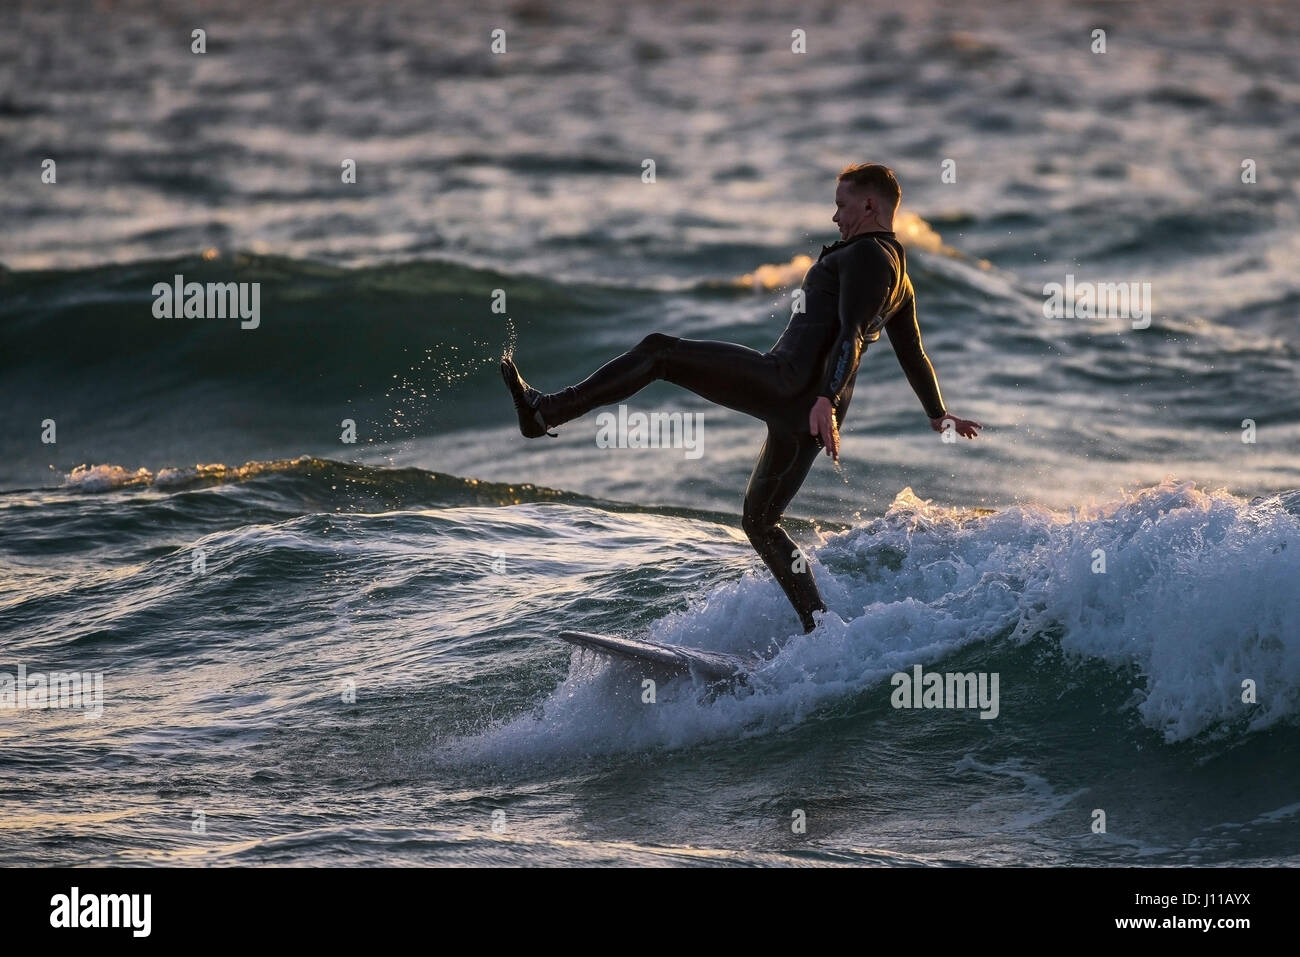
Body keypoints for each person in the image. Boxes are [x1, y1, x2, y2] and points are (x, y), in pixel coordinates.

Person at [501, 163, 981, 634]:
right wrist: (937, 414)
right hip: (807, 417)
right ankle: (822, 630)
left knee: (659, 351)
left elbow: (851, 336)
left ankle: (546, 412)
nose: (835, 217)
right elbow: (913, 352)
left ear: (871, 204)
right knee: (760, 522)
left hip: (789, 385)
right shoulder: (898, 271)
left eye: (842, 205)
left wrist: (824, 397)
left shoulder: (866, 255)